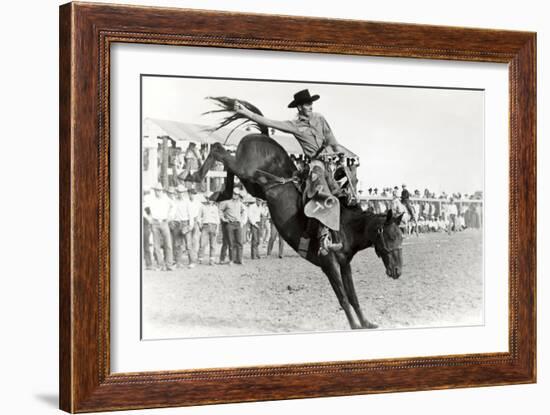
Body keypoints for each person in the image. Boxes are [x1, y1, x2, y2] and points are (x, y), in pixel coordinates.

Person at [233, 89, 353, 256]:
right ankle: (324, 237)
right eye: (306, 104)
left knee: (346, 194)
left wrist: (339, 154)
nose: (310, 106)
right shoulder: (295, 125)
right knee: (323, 195)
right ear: (299, 107)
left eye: (310, 103)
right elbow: (268, 122)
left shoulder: (320, 118)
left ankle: (347, 234)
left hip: (329, 165)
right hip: (315, 166)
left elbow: (332, 140)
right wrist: (245, 112)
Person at [146, 183, 174, 271]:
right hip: (155, 222)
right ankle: (160, 265)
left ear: (162, 191)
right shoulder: (151, 200)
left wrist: (170, 216)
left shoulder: (166, 199)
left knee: (168, 244)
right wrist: (148, 218)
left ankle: (169, 264)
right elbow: (143, 207)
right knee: (156, 245)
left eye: (159, 190)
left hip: (164, 222)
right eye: (156, 190)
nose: (158, 192)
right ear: (154, 191)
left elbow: (174, 206)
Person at [219, 189, 246, 265]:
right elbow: (220, 210)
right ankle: (231, 259)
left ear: (238, 195)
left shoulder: (240, 203)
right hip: (229, 224)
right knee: (231, 243)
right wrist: (224, 219)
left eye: (237, 194)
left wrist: (242, 220)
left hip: (237, 224)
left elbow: (244, 211)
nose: (235, 195)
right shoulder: (227, 202)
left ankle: (240, 259)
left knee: (240, 242)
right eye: (234, 193)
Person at [170, 185, 195, 268]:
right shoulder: (174, 201)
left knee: (188, 244)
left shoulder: (187, 202)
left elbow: (191, 214)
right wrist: (172, 221)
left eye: (181, 192)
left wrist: (190, 225)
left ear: (184, 193)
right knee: (177, 244)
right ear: (176, 192)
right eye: (178, 192)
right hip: (177, 223)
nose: (180, 194)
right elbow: (172, 213)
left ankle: (192, 262)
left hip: (185, 223)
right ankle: (178, 262)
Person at [198, 193, 220, 265]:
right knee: (202, 243)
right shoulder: (203, 207)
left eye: (211, 199)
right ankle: (200, 259)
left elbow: (217, 219)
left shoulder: (215, 208)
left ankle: (212, 260)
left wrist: (217, 229)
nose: (210, 200)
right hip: (205, 226)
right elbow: (199, 217)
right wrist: (200, 225)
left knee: (213, 244)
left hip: (213, 226)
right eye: (208, 199)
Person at [186, 189, 202, 268]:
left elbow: (200, 213)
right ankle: (190, 260)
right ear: (188, 194)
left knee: (195, 242)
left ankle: (194, 260)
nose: (192, 195)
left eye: (194, 194)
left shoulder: (198, 203)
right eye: (191, 194)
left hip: (195, 222)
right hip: (187, 222)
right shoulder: (186, 202)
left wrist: (199, 223)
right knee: (188, 242)